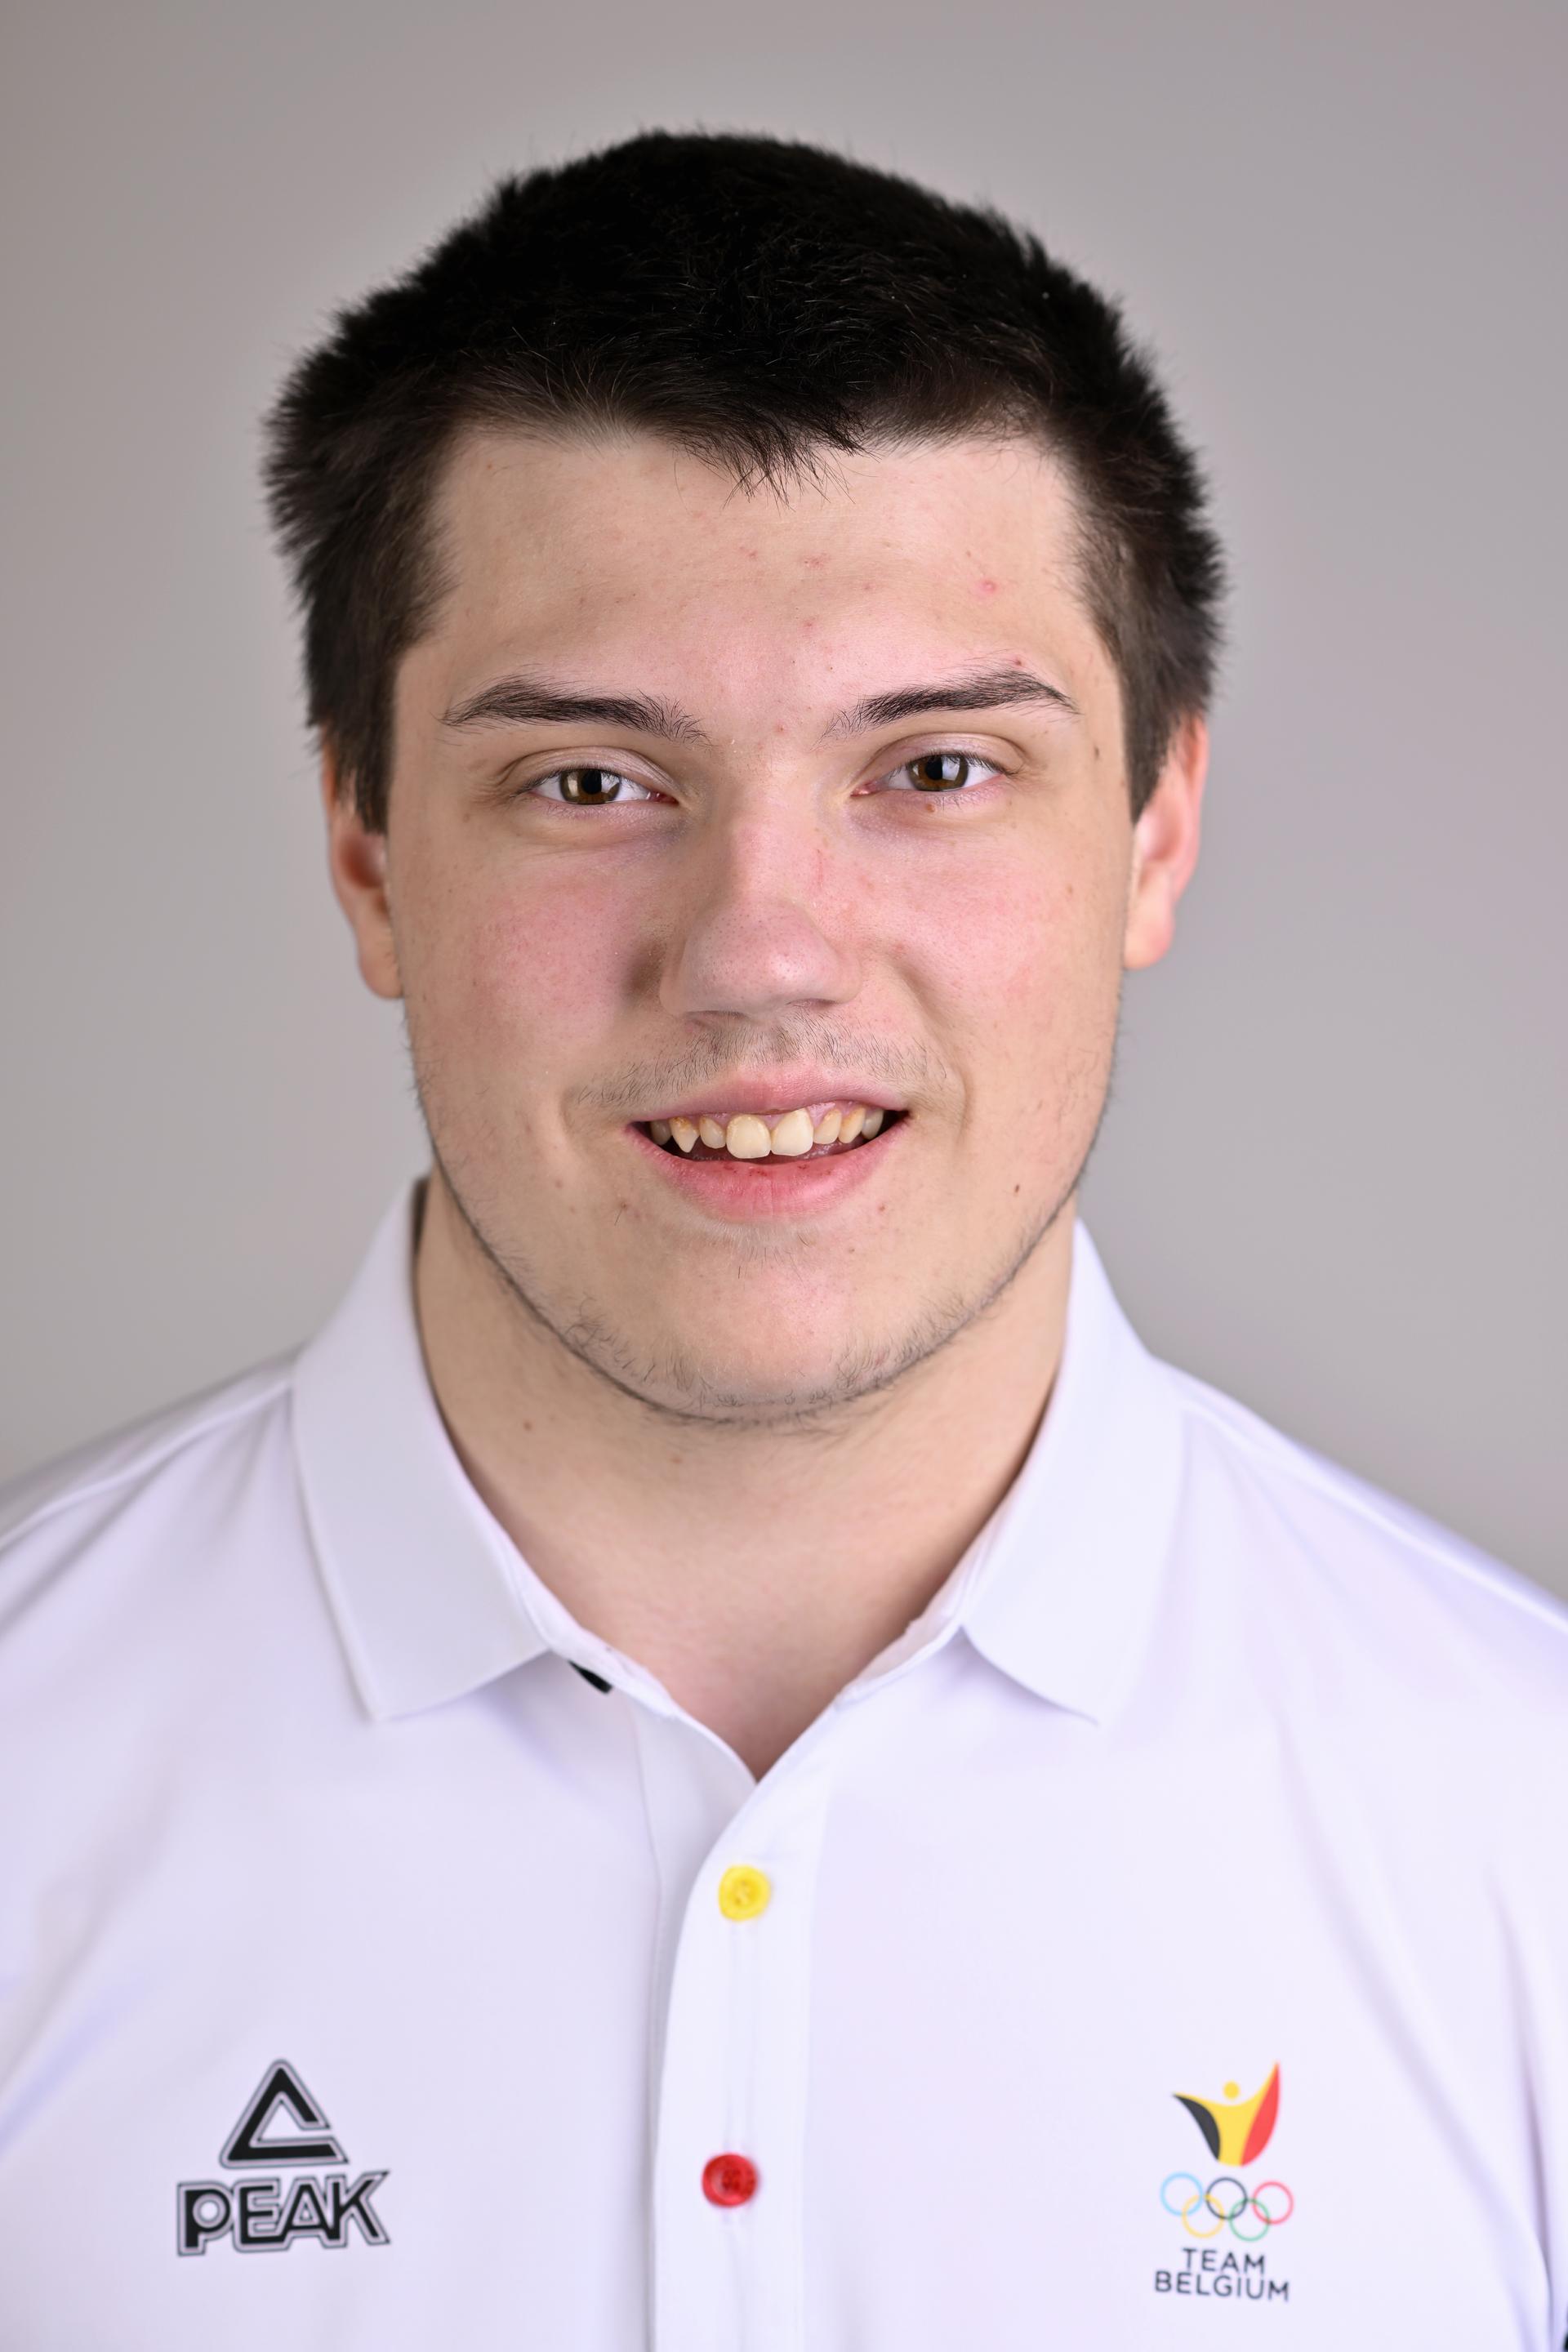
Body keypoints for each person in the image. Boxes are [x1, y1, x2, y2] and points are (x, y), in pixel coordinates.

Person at [1, 131, 1563, 2352]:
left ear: (1156, 828)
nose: (759, 952)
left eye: (934, 771)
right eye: (590, 782)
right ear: (365, 849)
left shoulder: (1526, 1832)